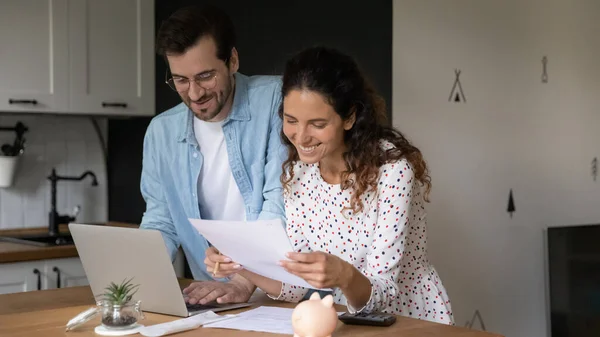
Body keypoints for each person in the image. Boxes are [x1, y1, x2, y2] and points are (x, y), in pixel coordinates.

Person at [204, 46, 454, 324]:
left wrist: (343, 275)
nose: (301, 136)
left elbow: (383, 293)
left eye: (317, 124)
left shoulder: (393, 171)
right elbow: (296, 284)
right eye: (291, 120)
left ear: (349, 118)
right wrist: (240, 264)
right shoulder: (298, 173)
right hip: (344, 320)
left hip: (410, 320)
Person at [140, 5, 286, 306]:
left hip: (283, 293)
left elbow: (282, 204)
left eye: (205, 76)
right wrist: (134, 282)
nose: (194, 94)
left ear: (232, 60)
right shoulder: (161, 133)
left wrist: (243, 281)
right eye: (180, 80)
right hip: (215, 300)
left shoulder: (277, 101)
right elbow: (161, 221)